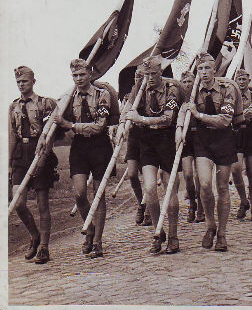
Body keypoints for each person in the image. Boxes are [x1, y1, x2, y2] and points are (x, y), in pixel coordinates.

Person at [116, 55, 181, 254]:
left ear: (160, 72)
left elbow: (167, 119)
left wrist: (140, 119)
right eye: (147, 74)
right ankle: (157, 231)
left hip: (166, 140)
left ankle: (173, 235)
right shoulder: (140, 89)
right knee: (151, 188)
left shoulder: (172, 90)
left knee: (169, 189)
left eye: (153, 73)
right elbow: (128, 109)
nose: (150, 78)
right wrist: (121, 124)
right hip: (147, 142)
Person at [176, 53, 237, 252]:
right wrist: (179, 129)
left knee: (222, 187)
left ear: (214, 69)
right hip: (203, 141)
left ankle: (222, 234)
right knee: (203, 183)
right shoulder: (193, 91)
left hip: (224, 139)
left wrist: (199, 115)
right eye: (200, 69)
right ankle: (210, 225)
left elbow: (225, 120)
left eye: (207, 69)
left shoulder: (227, 89)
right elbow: (184, 110)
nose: (203, 73)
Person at [53, 59, 114, 258]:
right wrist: (67, 127)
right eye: (75, 76)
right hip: (79, 148)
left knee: (98, 195)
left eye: (82, 75)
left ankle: (97, 241)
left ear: (90, 74)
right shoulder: (69, 97)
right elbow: (60, 122)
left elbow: (99, 126)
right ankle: (89, 229)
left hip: (99, 146)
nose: (78, 79)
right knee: (79, 194)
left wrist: (70, 125)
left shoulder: (102, 94)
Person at [9, 66, 58, 264]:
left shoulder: (45, 104)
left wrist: (43, 158)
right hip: (22, 153)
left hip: (40, 152)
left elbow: (51, 133)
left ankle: (44, 247)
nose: (21, 85)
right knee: (18, 202)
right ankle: (34, 235)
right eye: (19, 82)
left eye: (25, 81)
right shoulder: (13, 107)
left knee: (42, 203)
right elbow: (12, 136)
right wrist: (9, 164)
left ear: (33, 82)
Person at [119, 66, 152, 226]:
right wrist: (122, 124)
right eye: (136, 77)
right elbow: (124, 112)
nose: (139, 80)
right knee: (132, 174)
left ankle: (149, 209)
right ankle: (141, 203)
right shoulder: (130, 95)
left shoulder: (152, 93)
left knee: (147, 176)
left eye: (141, 77)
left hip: (149, 136)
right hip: (134, 137)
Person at [231, 69, 252, 221]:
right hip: (236, 133)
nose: (242, 82)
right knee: (236, 169)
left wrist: (238, 114)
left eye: (244, 79)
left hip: (251, 133)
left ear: (248, 80)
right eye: (239, 79)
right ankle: (244, 201)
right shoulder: (231, 95)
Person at [178, 71, 204, 223]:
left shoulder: (199, 96)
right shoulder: (179, 98)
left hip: (199, 136)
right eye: (184, 82)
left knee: (199, 175)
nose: (187, 84)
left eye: (190, 81)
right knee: (188, 174)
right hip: (186, 138)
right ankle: (192, 204)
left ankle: (200, 206)